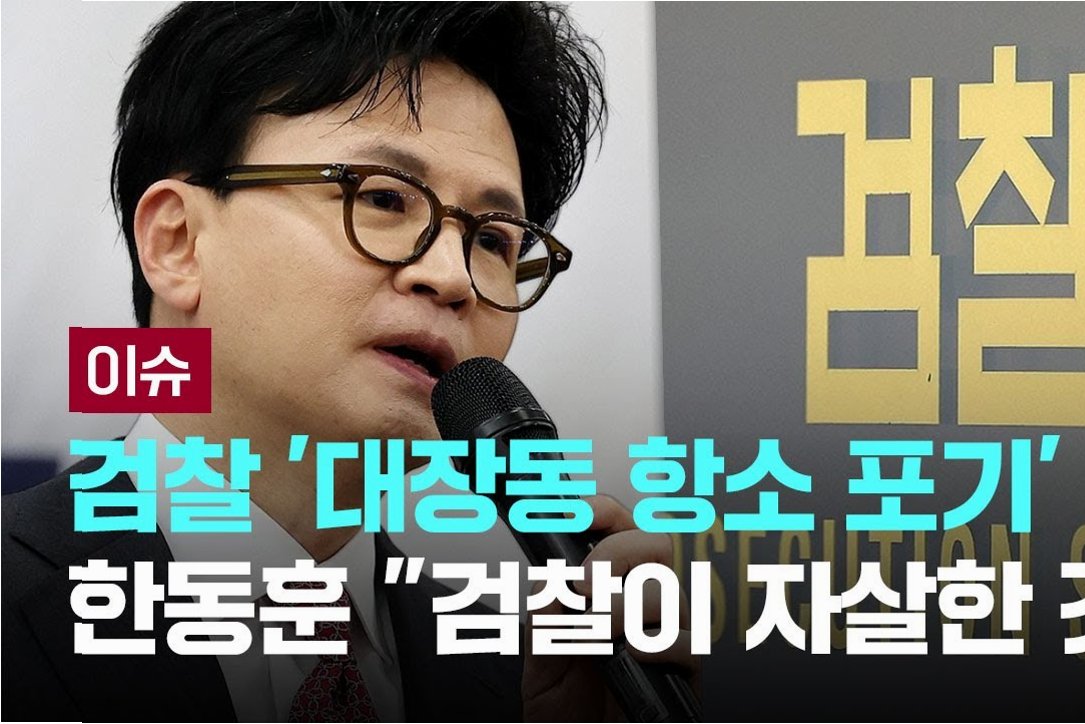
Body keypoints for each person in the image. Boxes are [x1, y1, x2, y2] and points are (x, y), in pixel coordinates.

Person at [2, 3, 692, 721]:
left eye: (493, 240)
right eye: (385, 198)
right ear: (177, 243)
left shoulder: (528, 681)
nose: (452, 277)